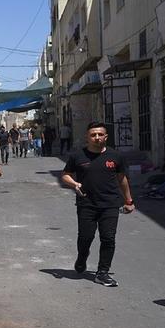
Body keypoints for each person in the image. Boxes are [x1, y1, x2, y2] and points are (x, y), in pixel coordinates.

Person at [60, 122, 135, 286]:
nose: (97, 137)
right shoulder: (78, 156)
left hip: (110, 204)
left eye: (100, 134)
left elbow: (122, 179)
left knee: (108, 238)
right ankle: (82, 257)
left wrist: (128, 201)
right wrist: (74, 184)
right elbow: (65, 175)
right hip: (86, 203)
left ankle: (103, 272)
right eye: (93, 134)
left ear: (106, 137)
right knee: (86, 237)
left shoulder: (116, 156)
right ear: (87, 137)